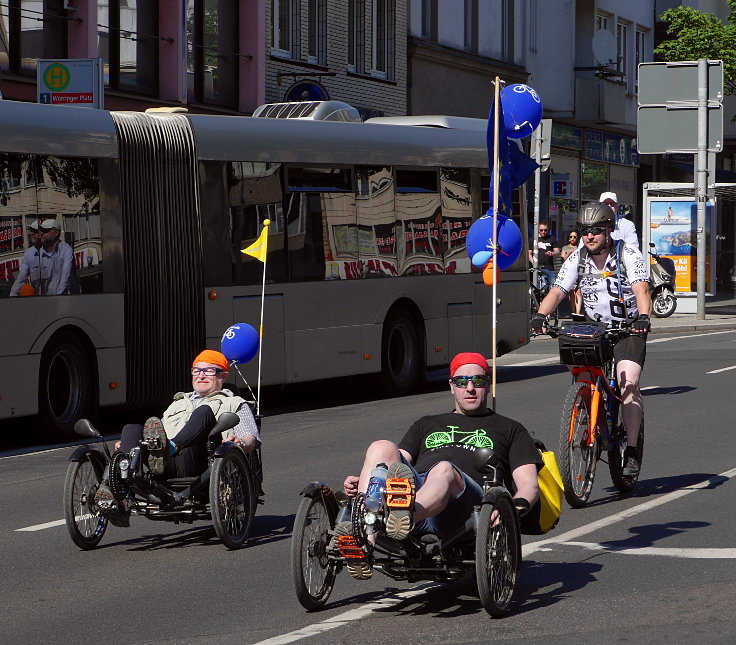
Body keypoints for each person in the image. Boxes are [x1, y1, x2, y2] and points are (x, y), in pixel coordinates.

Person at [335, 352, 542, 579]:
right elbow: (395, 460)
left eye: (478, 381)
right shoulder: (427, 423)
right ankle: (364, 537)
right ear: (452, 386)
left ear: (489, 384)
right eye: (462, 381)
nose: (470, 388)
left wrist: (510, 508)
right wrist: (368, 477)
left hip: (465, 506)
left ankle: (404, 516)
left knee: (444, 469)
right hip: (418, 488)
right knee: (381, 447)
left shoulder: (510, 429)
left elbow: (528, 484)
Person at [530, 201, 651, 478]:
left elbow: (642, 290)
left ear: (609, 230)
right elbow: (559, 291)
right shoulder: (578, 258)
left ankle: (631, 450)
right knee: (582, 376)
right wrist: (539, 315)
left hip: (628, 328)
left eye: (596, 230)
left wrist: (643, 318)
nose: (589, 236)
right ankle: (585, 409)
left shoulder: (627, 254)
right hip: (594, 328)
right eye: (584, 230)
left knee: (627, 383)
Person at [95, 349, 259, 521]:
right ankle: (117, 486)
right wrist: (134, 444)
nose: (201, 375)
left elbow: (252, 438)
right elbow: (159, 432)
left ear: (223, 376)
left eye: (209, 371)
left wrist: (238, 442)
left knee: (204, 411)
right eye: (197, 370)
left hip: (201, 463)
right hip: (164, 463)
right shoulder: (177, 403)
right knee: (131, 428)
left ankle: (170, 448)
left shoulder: (234, 403)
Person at [10, 218, 77, 296]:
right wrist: (12, 298)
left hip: (62, 299)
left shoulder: (66, 250)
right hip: (41, 302)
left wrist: (58, 298)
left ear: (56, 233)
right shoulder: (30, 253)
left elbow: (65, 278)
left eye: (45, 231)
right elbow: (20, 280)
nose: (41, 233)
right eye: (41, 230)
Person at [9, 220, 43, 296]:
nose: (31, 233)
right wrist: (12, 296)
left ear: (42, 233)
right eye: (31, 231)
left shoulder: (54, 250)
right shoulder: (29, 253)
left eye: (34, 231)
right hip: (39, 299)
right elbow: (21, 277)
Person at [528, 221, 560, 289]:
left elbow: (557, 251)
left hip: (550, 268)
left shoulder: (552, 238)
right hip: (538, 268)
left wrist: (552, 253)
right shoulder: (533, 239)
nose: (543, 232)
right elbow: (529, 253)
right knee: (541, 288)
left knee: (553, 288)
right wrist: (533, 263)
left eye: (545, 230)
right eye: (541, 230)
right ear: (538, 230)